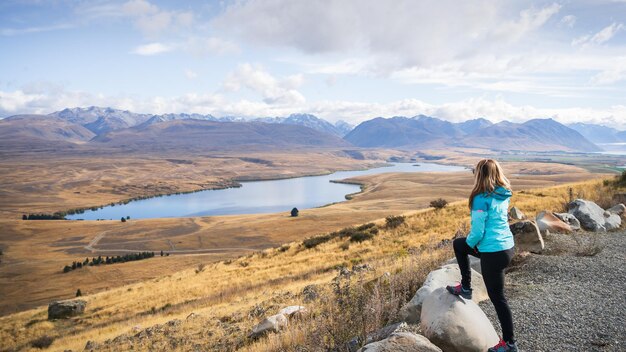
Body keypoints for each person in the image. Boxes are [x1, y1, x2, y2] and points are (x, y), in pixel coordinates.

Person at [445, 159, 518, 352]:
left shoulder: (480, 198)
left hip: (493, 251)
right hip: (507, 247)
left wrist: (472, 244)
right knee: (459, 245)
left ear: (480, 174)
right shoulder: (504, 193)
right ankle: (466, 287)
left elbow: (477, 231)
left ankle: (510, 344)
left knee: (498, 297)